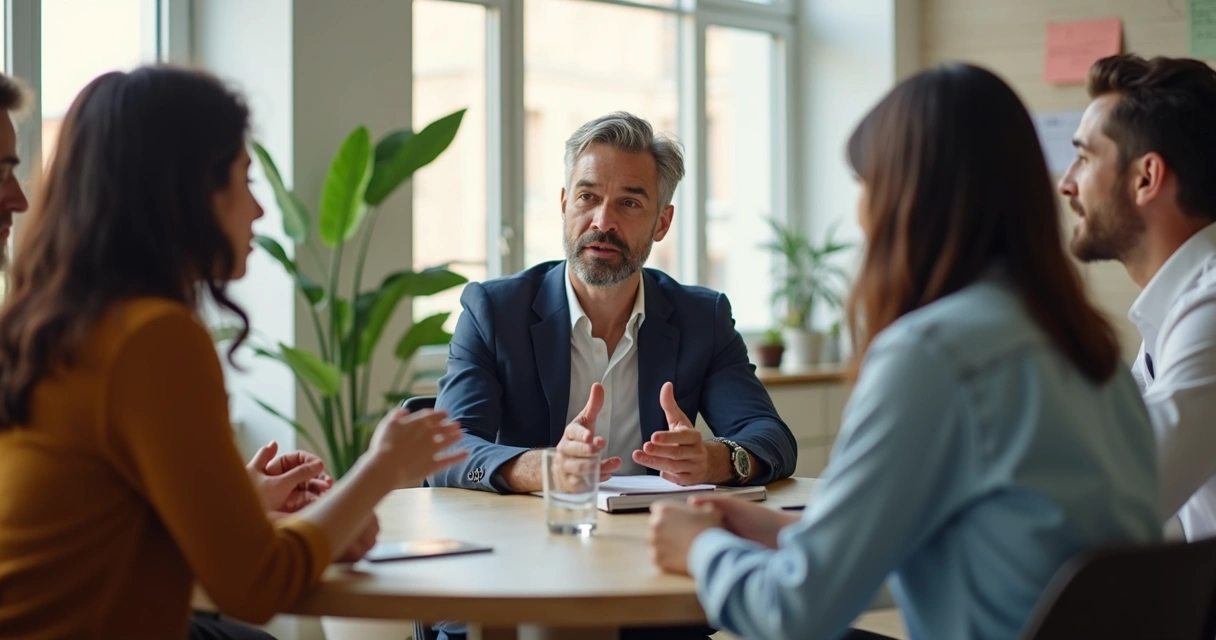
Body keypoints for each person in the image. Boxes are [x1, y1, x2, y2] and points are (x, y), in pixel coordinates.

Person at [646, 64, 1162, 640]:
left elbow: (792, 612)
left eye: (867, 184)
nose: (862, 213)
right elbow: (985, 559)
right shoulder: (1093, 355)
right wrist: (786, 536)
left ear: (907, 196)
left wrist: (702, 550)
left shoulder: (933, 356)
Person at [0, 65, 468, 639]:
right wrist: (381, 471)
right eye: (244, 181)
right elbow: (254, 586)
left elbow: (95, 522)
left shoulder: (47, 322)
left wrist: (242, 500)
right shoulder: (153, 337)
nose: (259, 211)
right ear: (189, 193)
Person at [430, 111, 797, 495]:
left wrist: (714, 460)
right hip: (533, 534)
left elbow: (772, 438)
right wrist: (544, 469)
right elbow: (448, 450)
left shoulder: (703, 318)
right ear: (563, 204)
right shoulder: (494, 312)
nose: (602, 221)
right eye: (587, 197)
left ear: (662, 223)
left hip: (654, 537)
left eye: (629, 203)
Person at [1059, 54, 1216, 541]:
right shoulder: (1175, 306)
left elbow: (1123, 495)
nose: (1067, 183)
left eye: (1084, 158)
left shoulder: (1210, 308)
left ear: (1146, 178)